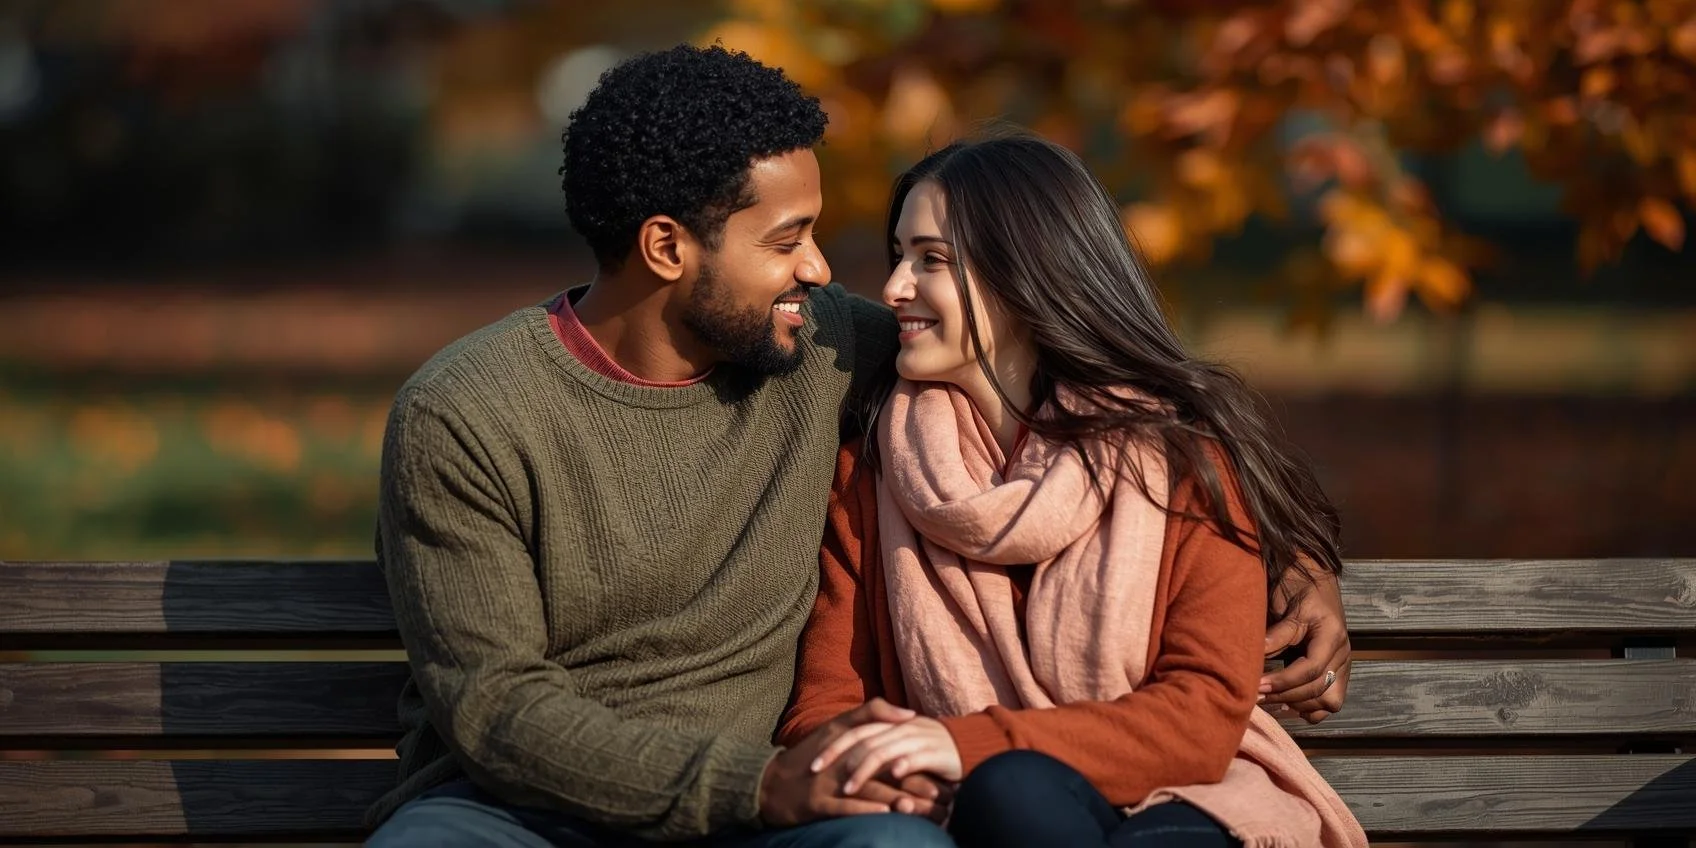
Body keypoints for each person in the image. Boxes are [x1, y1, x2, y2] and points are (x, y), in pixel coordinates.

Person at [364, 42, 1351, 847]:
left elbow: (1085, 369)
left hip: (781, 815)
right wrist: (762, 782)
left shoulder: (825, 344)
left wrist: (1295, 559)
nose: (828, 269)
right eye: (787, 238)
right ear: (668, 249)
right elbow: (496, 708)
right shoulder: (467, 414)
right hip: (524, 811)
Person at [779, 132, 1368, 848]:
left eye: (931, 260)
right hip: (970, 812)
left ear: (1026, 275)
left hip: (1184, 799)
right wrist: (906, 771)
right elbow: (828, 704)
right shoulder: (872, 473)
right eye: (901, 255)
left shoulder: (1177, 459)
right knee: (1012, 790)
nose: (895, 287)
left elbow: (1202, 714)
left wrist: (962, 742)